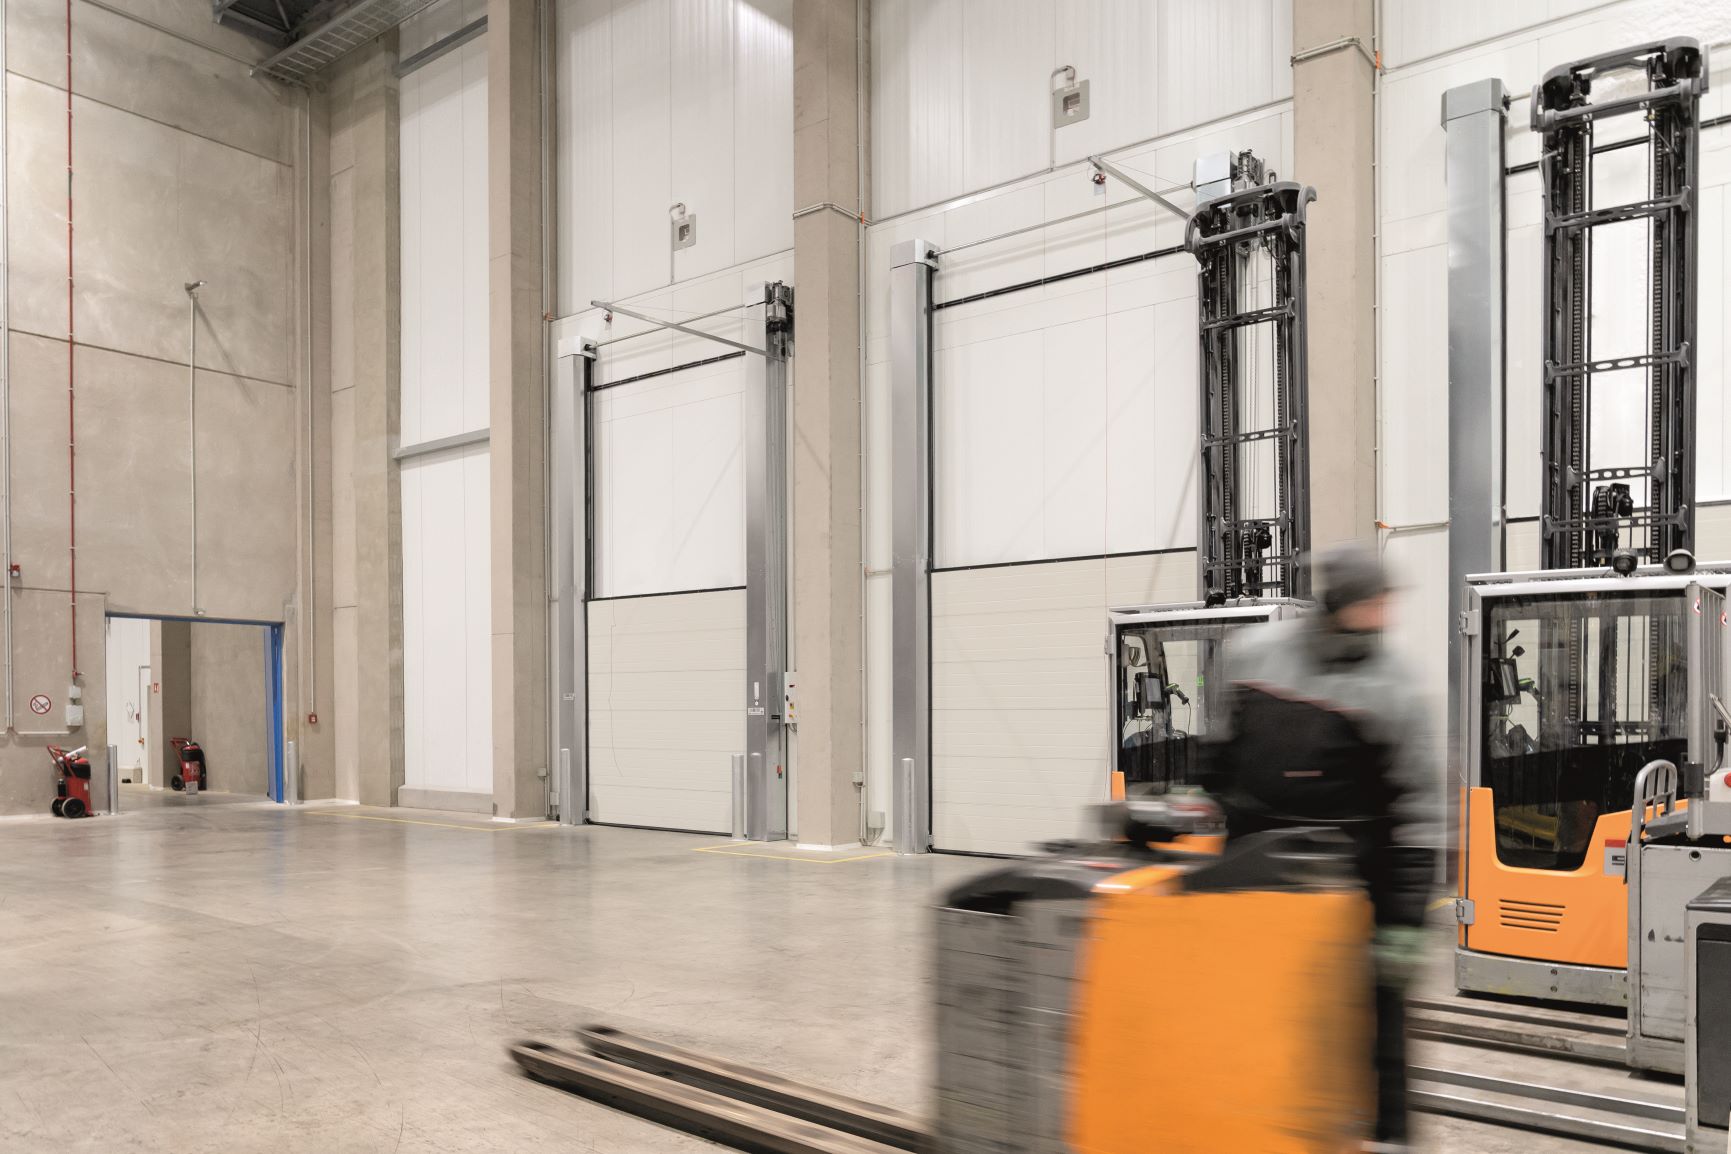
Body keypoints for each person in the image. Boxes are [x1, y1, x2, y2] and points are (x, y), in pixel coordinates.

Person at [1202, 542, 1438, 1153]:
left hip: (1357, 875)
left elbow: (1420, 808)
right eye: (1375, 603)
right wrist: (1199, 802)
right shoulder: (1256, 655)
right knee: (1258, 1003)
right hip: (1257, 867)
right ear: (1339, 602)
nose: (1385, 616)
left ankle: (1389, 1137)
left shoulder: (1397, 685)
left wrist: (1406, 919)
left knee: (1377, 1009)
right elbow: (1222, 752)